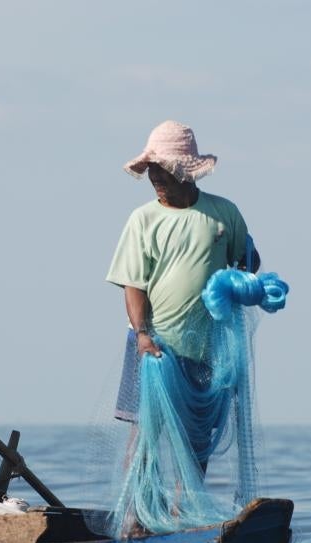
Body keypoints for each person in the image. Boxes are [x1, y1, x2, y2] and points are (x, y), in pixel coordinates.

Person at [106, 120, 257, 465]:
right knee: (144, 433)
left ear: (185, 172)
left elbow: (245, 262)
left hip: (206, 348)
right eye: (152, 171)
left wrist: (249, 280)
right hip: (154, 346)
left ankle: (184, 512)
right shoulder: (142, 220)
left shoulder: (223, 214)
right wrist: (144, 335)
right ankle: (134, 516)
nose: (156, 179)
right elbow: (133, 286)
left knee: (196, 434)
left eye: (163, 171)